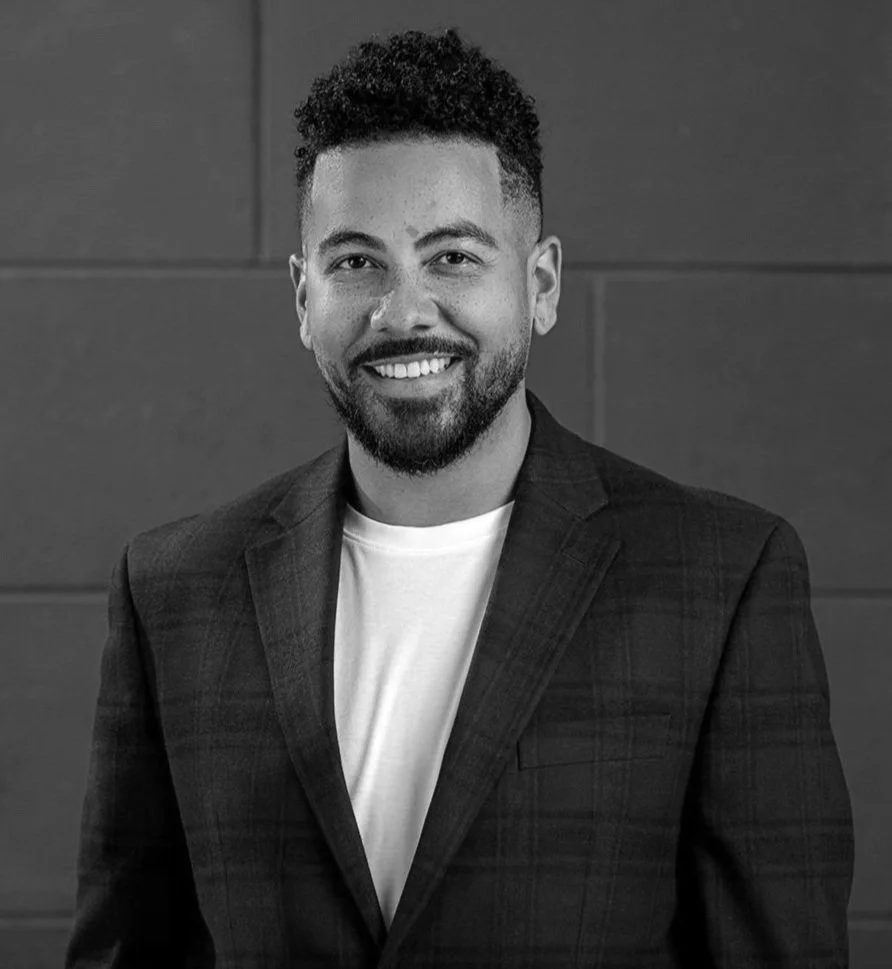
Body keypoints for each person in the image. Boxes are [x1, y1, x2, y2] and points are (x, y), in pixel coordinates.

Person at [66, 27, 854, 969]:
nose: (402, 312)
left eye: (452, 258)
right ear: (301, 295)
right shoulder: (174, 591)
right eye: (356, 261)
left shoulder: (722, 581)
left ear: (542, 283)